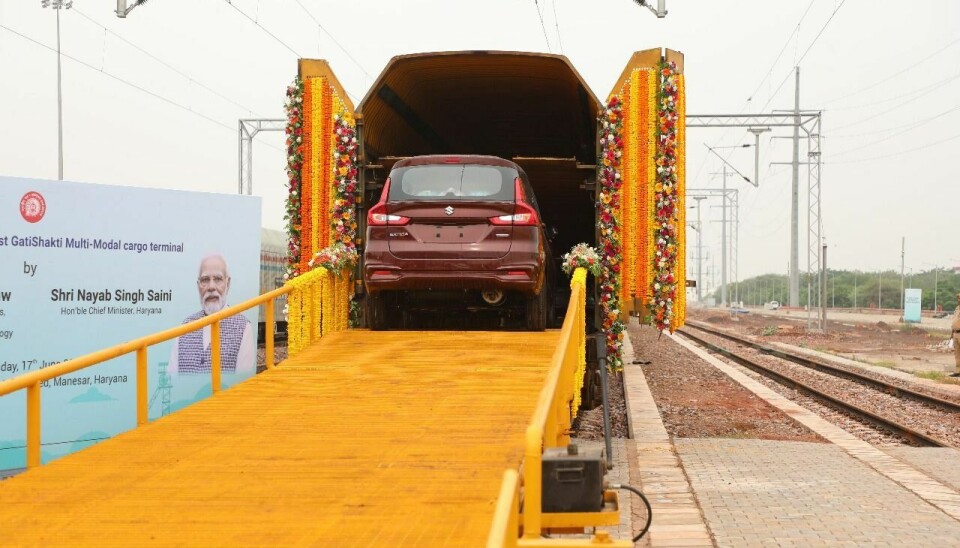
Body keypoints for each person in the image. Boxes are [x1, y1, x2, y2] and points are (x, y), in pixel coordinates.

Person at [168, 254, 255, 376]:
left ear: (227, 283)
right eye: (205, 280)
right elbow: (172, 380)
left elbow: (243, 383)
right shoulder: (185, 328)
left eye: (218, 279)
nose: (211, 287)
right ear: (198, 285)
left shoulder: (243, 327)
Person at [952, 292, 960, 378]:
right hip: (955, 333)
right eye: (958, 299)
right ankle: (957, 371)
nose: (958, 300)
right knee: (957, 354)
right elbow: (954, 321)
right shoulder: (957, 308)